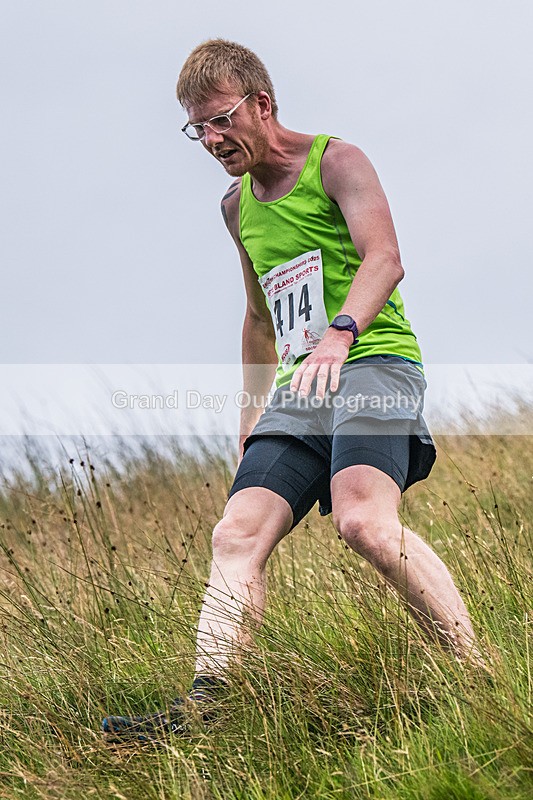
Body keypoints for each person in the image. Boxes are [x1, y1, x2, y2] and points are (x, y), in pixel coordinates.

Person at [102, 39, 481, 741]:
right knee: (235, 532)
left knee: (363, 522)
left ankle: (473, 674)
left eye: (219, 120)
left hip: (373, 363)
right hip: (298, 389)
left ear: (261, 104)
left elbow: (385, 259)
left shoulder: (336, 161)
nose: (211, 139)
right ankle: (206, 706)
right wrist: (251, 409)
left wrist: (339, 333)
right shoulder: (234, 207)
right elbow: (256, 315)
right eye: (197, 129)